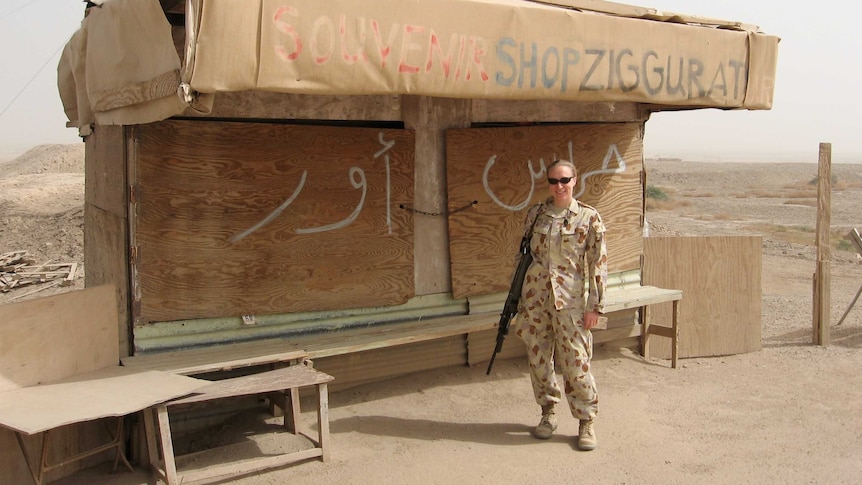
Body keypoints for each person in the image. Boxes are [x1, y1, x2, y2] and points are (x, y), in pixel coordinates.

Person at [512, 158, 608, 451]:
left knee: (576, 364)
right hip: (536, 301)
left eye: (564, 180)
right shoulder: (536, 214)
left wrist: (596, 306)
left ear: (575, 180)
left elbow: (599, 264)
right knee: (539, 361)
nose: (559, 186)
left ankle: (585, 421)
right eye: (553, 181)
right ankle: (547, 414)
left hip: (571, 303)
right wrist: (518, 299)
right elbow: (522, 258)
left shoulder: (588, 217)